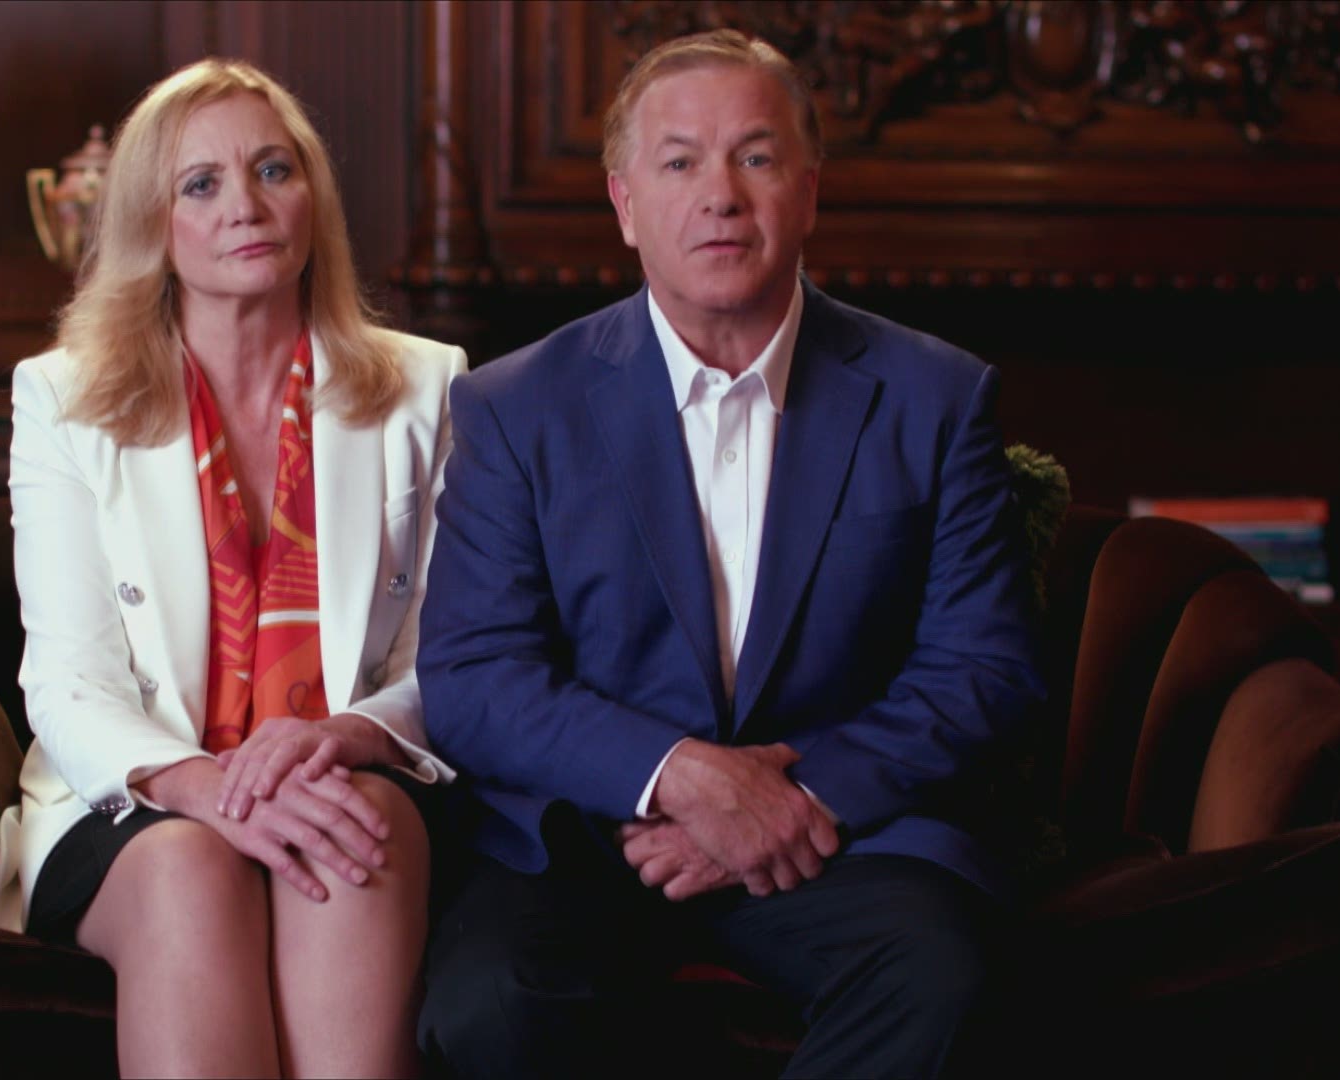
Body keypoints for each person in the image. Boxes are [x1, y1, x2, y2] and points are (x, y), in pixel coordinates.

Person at [414, 29, 1044, 1079]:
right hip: (593, 837)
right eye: (680, 162)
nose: (721, 194)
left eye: (755, 157)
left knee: (937, 972)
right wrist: (684, 783)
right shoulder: (515, 406)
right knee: (486, 1004)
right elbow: (478, 679)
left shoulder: (935, 398)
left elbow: (982, 669)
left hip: (837, 831)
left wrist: (790, 802)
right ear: (624, 205)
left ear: (807, 191)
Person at [0, 58, 466, 1079]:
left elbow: (459, 660)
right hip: (140, 797)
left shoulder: (427, 386)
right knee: (191, 867)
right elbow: (67, 681)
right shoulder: (64, 400)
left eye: (273, 169)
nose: (245, 205)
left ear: (312, 196)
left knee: (348, 829)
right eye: (200, 184)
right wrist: (211, 788)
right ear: (153, 223)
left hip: (348, 773)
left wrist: (338, 737)